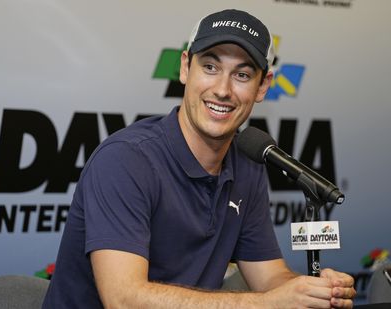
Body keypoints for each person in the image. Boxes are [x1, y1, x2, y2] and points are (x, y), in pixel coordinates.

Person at [42, 9, 356, 308]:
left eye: (242, 74)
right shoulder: (125, 160)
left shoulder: (248, 165)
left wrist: (307, 292)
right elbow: (124, 300)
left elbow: (270, 277)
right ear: (184, 67)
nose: (222, 89)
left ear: (263, 86)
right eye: (210, 67)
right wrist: (267, 304)